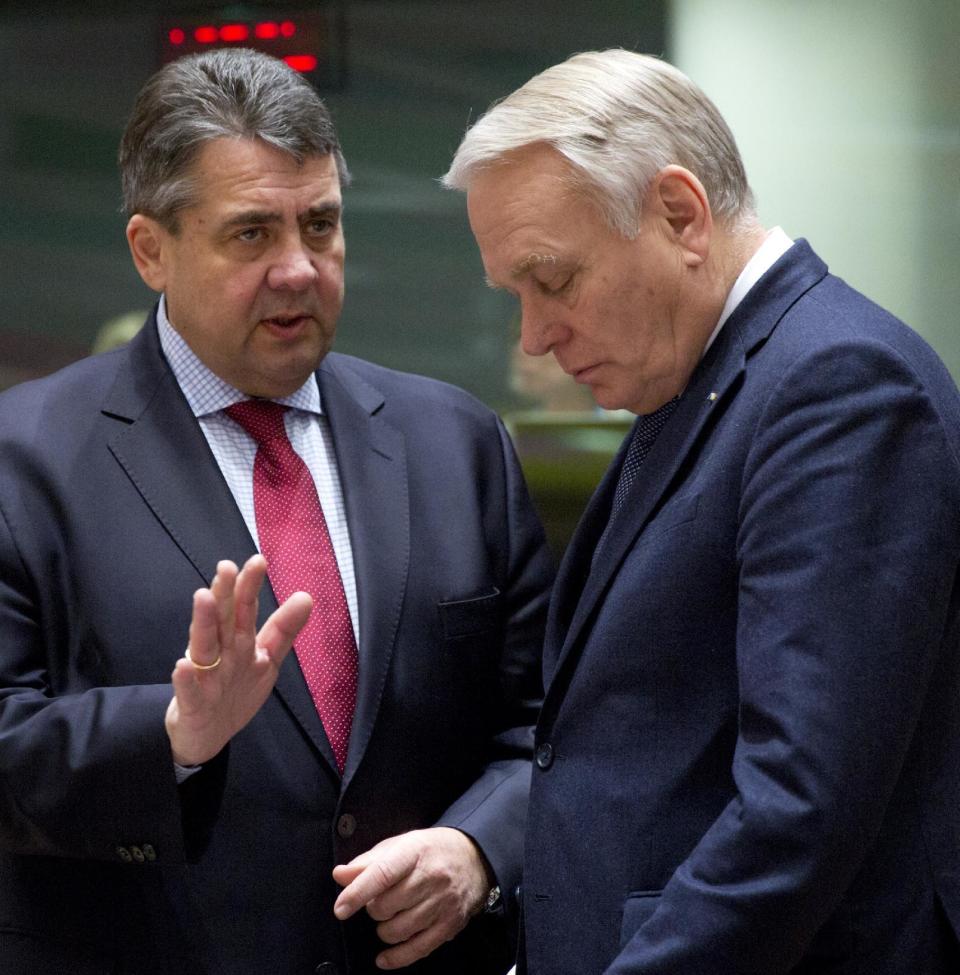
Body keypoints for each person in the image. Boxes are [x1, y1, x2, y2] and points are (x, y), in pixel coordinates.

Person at [0, 48, 552, 975]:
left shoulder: (456, 444)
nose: (298, 269)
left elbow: (550, 726)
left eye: (321, 226)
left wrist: (480, 848)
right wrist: (172, 737)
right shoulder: (25, 460)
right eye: (252, 234)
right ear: (150, 248)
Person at [443, 49, 960, 974]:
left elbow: (800, 805)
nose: (534, 335)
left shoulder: (839, 386)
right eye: (515, 294)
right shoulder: (698, 382)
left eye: (552, 280)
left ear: (680, 214)